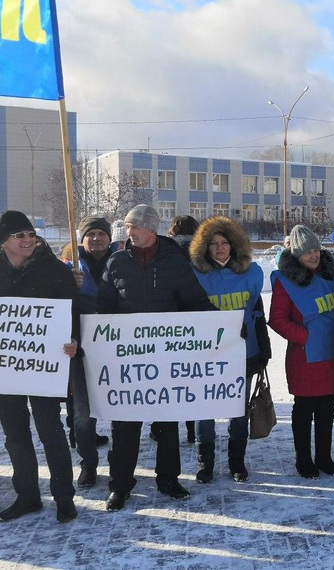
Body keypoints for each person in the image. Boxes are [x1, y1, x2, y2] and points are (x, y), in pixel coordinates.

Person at [98, 204, 217, 511]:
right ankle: (120, 485)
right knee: (124, 426)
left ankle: (168, 479)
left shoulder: (174, 263)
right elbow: (103, 309)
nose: (128, 231)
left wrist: (223, 327)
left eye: (134, 226)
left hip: (166, 360)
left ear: (150, 229)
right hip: (128, 361)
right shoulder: (115, 262)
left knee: (167, 424)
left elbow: (195, 300)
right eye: (126, 227)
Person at [0, 211, 79, 523]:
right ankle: (28, 496)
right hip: (6, 370)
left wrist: (75, 340)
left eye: (30, 234)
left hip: (44, 368)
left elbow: (73, 313)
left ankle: (64, 497)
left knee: (51, 431)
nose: (28, 239)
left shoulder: (55, 270)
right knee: (15, 435)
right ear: (4, 241)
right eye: (19, 235)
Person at [189, 216, 271, 483]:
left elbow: (258, 313)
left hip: (243, 353)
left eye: (224, 242)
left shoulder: (251, 274)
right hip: (206, 355)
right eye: (213, 243)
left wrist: (263, 352)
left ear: (234, 245)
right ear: (205, 247)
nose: (220, 248)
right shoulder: (195, 275)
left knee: (238, 409)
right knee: (205, 411)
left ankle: (236, 461)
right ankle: (206, 463)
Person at [269, 225, 334, 479]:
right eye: (307, 253)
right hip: (305, 357)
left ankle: (324, 457)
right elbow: (277, 320)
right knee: (304, 410)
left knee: (326, 408)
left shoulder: (330, 275)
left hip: (332, 354)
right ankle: (303, 460)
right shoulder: (286, 282)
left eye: (316, 250)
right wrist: (307, 337)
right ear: (296, 255)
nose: (313, 256)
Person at [67, 217, 119, 488]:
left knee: (120, 409)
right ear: (82, 239)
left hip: (117, 350)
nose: (97, 238)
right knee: (82, 414)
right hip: (81, 351)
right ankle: (87, 464)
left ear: (109, 238)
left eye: (101, 233)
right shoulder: (70, 268)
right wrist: (67, 284)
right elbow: (56, 307)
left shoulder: (122, 263)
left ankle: (120, 463)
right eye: (91, 234)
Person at [165, 214, 201, 444]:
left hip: (170, 319)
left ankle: (163, 426)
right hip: (196, 319)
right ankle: (192, 428)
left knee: (170, 377)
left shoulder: (167, 252)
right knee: (193, 378)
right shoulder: (201, 251)